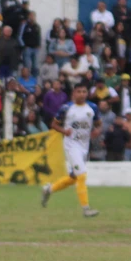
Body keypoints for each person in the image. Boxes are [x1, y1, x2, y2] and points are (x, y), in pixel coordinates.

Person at [41, 83, 100, 217]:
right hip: (71, 145)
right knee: (82, 175)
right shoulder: (66, 108)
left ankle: (48, 189)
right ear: (74, 93)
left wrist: (97, 132)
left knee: (74, 178)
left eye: (84, 91)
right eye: (79, 91)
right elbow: (54, 124)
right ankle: (86, 209)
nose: (82, 94)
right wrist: (64, 131)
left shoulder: (92, 108)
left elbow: (98, 124)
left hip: (84, 146)